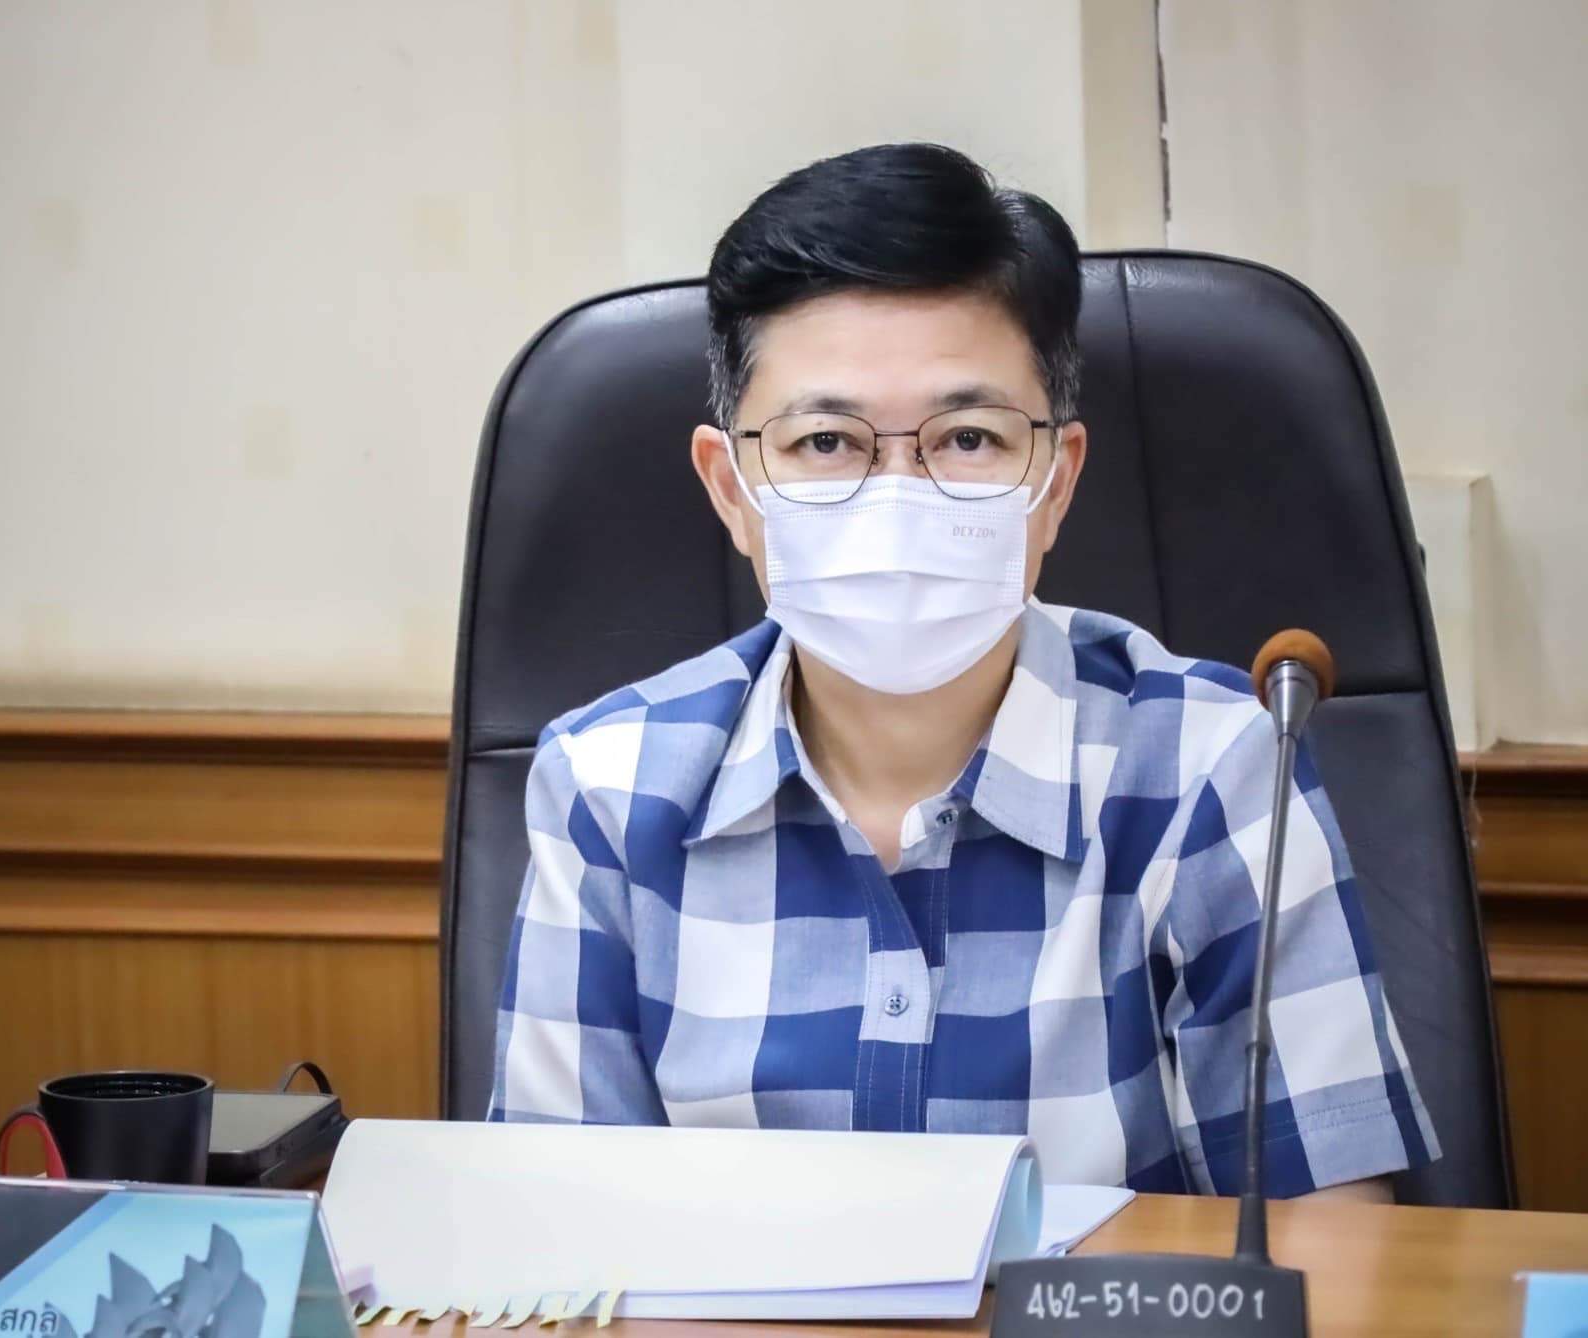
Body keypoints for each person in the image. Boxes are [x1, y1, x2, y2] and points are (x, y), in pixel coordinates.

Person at [487, 143, 1436, 1200]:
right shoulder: (608, 790)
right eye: (825, 443)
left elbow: (1328, 1246)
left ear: (1054, 482)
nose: (898, 494)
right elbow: (557, 1230)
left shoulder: (1214, 770)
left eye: (969, 438)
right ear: (730, 489)